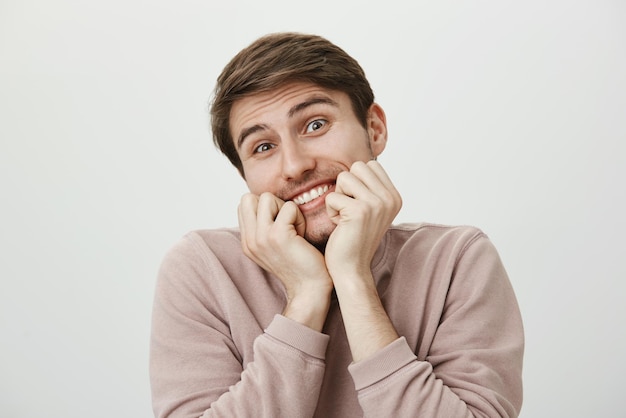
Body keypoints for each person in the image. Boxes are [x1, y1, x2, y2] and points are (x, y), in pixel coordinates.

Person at [149, 32, 524, 418]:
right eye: (263, 147)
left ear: (374, 129)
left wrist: (352, 278)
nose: (295, 165)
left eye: (315, 124)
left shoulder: (457, 259)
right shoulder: (202, 269)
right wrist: (307, 296)